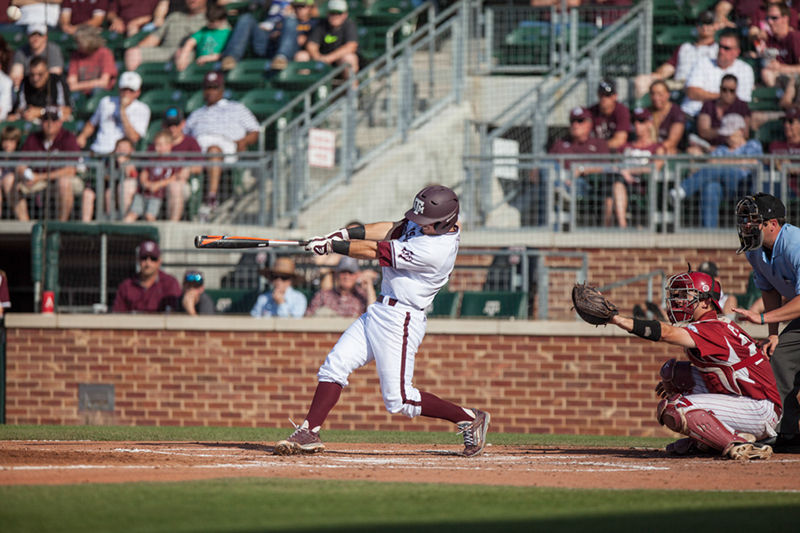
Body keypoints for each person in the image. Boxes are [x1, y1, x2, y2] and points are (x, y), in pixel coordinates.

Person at [274, 185, 490, 457]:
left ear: (444, 222)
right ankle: (309, 430)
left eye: (426, 222)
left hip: (402, 319)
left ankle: (470, 417)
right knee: (335, 364)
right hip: (379, 310)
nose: (419, 225)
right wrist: (343, 233)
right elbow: (390, 229)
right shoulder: (427, 224)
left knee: (399, 399)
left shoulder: (436, 250)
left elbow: (376, 250)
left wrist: (333, 246)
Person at [592, 269, 781, 460]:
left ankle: (737, 444)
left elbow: (666, 333)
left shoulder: (713, 328)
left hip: (759, 408)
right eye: (677, 295)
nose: (678, 301)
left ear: (706, 301)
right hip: (745, 396)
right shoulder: (711, 324)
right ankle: (725, 437)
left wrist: (616, 319)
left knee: (676, 408)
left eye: (685, 295)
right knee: (674, 373)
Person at [733, 193, 800, 452]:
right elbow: (770, 291)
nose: (746, 226)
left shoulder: (794, 244)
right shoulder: (756, 251)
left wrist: (761, 318)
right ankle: (786, 433)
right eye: (744, 221)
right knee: (779, 357)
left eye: (753, 221)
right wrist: (773, 334)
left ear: (772, 223)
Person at [184, 70, 259, 216]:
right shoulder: (197, 113)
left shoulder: (236, 108)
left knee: (213, 150)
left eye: (214, 87)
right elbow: (184, 134)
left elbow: (255, 131)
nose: (210, 91)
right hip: (198, 147)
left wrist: (244, 141)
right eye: (208, 87)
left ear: (222, 89)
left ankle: (211, 198)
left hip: (225, 147)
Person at [672, 113, 763, 228]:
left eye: (730, 133)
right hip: (725, 187)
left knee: (718, 169)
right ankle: (709, 234)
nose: (727, 136)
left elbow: (752, 163)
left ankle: (682, 189)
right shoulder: (722, 149)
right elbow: (710, 165)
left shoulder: (752, 145)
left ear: (740, 131)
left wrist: (722, 163)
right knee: (711, 187)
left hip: (746, 184)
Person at [12, 106, 83, 222]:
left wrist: (38, 177)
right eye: (46, 120)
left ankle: (60, 226)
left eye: (53, 120)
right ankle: (25, 225)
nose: (49, 123)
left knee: (63, 183)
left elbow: (71, 170)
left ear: (60, 123)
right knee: (10, 181)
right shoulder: (33, 138)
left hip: (60, 180)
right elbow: (20, 165)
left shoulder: (68, 137)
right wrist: (26, 174)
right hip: (37, 180)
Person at [633, 11, 719, 99]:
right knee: (641, 81)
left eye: (709, 23)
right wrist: (656, 76)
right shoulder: (685, 47)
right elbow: (669, 68)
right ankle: (640, 110)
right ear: (697, 26)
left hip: (702, 86)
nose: (705, 27)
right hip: (678, 84)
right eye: (701, 23)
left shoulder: (719, 50)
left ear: (715, 26)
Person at [681, 28, 754, 119]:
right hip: (691, 114)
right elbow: (692, 92)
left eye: (726, 48)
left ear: (737, 52)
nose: (721, 51)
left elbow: (740, 101)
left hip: (724, 118)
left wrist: (705, 95)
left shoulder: (745, 70)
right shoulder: (703, 63)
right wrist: (722, 97)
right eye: (720, 46)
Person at [220, 0, 313, 72]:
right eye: (297, 7)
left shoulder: (310, 21)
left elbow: (302, 38)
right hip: (265, 38)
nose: (299, 9)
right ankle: (231, 57)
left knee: (290, 21)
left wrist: (281, 30)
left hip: (285, 44)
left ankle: (281, 57)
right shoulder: (270, 3)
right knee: (246, 18)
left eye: (302, 7)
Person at [613, 107, 665, 228]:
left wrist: (629, 171)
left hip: (646, 185)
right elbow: (615, 165)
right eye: (634, 121)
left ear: (649, 123)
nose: (637, 124)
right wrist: (623, 172)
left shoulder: (657, 147)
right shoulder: (625, 146)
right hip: (625, 183)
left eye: (641, 121)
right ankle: (622, 226)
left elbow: (656, 167)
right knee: (617, 185)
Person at [77, 71, 151, 155]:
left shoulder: (142, 109)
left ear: (138, 92)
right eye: (124, 89)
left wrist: (122, 110)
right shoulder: (106, 102)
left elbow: (134, 137)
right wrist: (83, 135)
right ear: (119, 89)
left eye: (131, 90)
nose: (127, 93)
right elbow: (92, 123)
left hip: (121, 154)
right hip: (99, 149)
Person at [123, 0, 207, 72]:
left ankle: (175, 87)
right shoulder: (174, 16)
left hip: (189, 53)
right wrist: (138, 49)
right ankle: (131, 89)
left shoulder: (209, 19)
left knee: (181, 55)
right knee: (132, 53)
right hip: (165, 51)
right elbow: (154, 39)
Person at [124, 130, 189, 222]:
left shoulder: (175, 159)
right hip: (143, 193)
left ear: (170, 145)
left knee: (149, 216)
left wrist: (157, 185)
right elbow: (144, 173)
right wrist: (146, 183)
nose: (159, 148)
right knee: (131, 215)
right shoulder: (152, 158)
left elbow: (175, 177)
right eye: (157, 145)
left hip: (157, 195)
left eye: (162, 145)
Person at [112, 239, 182, 313]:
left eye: (153, 258)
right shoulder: (126, 286)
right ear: (138, 260)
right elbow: (118, 315)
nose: (148, 263)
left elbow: (175, 313)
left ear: (159, 261)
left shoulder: (170, 283)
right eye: (144, 258)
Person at [689, 74, 751, 154]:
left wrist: (730, 139)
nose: (728, 93)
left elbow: (745, 134)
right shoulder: (709, 105)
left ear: (736, 90)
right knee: (693, 152)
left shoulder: (742, 106)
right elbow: (703, 131)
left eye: (732, 90)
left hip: (734, 147)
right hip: (710, 147)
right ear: (720, 89)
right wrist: (724, 131)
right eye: (724, 90)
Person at [296, 0, 358, 79]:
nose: (335, 16)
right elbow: (311, 44)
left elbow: (351, 46)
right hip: (321, 59)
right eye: (332, 13)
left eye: (338, 13)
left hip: (338, 60)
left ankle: (352, 89)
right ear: (327, 13)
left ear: (345, 15)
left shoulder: (349, 25)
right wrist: (318, 57)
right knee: (301, 56)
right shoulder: (321, 24)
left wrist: (329, 58)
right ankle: (304, 88)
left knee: (349, 58)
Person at [305, 256, 376, 317]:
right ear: (337, 274)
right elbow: (308, 317)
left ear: (357, 275)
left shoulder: (362, 295)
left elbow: (373, 316)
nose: (346, 276)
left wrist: (369, 287)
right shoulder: (323, 295)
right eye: (343, 272)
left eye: (351, 273)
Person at [12, 56, 72, 122]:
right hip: (32, 121)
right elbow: (19, 108)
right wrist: (26, 112)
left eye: (40, 74)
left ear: (47, 73)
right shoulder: (25, 82)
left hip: (53, 122)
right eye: (32, 75)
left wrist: (41, 112)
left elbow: (66, 110)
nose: (35, 79)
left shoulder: (57, 81)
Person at [174, 2, 231, 72]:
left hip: (216, 66)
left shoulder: (228, 33)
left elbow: (228, 53)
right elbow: (190, 42)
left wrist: (210, 58)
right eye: (209, 20)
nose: (210, 23)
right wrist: (183, 56)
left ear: (222, 20)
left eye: (213, 21)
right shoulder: (204, 30)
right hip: (199, 65)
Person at [66, 24, 118, 95]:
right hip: (82, 94)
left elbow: (104, 82)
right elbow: (71, 83)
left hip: (101, 94)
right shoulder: (76, 55)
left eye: (79, 43)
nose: (77, 45)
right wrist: (92, 84)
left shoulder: (105, 53)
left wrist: (79, 85)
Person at [9, 23, 65, 89]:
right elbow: (16, 75)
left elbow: (55, 75)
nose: (36, 38)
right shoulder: (21, 51)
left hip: (48, 89)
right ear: (27, 36)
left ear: (45, 37)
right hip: (28, 88)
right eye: (32, 35)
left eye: (39, 35)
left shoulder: (53, 50)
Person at [759, 2, 800, 89]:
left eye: (774, 18)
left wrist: (781, 68)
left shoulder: (795, 38)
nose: (769, 22)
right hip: (779, 80)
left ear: (785, 19)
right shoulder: (769, 40)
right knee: (766, 73)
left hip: (796, 82)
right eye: (767, 18)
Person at [589, 79, 630, 151]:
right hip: (595, 152)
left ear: (615, 96)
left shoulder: (621, 111)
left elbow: (620, 141)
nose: (604, 98)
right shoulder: (591, 111)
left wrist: (597, 147)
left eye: (608, 95)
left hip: (614, 153)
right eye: (601, 94)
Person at [768, 105, 800, 197]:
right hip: (779, 188)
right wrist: (776, 162)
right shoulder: (775, 145)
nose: (786, 125)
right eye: (784, 122)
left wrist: (792, 167)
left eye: (790, 122)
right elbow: (768, 161)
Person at [648, 80, 685, 155]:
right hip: (649, 149)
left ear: (668, 94)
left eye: (660, 94)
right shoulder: (647, 112)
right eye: (653, 94)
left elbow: (672, 142)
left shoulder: (676, 113)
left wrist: (652, 149)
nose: (656, 98)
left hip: (666, 150)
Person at [0, 125, 22, 218]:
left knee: (9, 180)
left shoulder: (20, 157)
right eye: (5, 140)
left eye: (11, 141)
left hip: (14, 188)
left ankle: (24, 226)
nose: (7, 144)